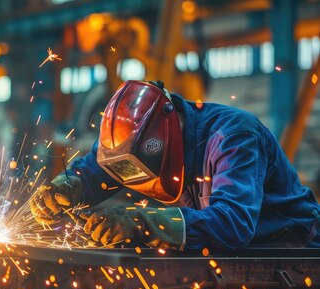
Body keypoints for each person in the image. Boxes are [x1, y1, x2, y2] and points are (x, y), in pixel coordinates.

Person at [31, 80, 320, 250]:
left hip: (289, 246)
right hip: (227, 251)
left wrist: (141, 223)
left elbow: (233, 224)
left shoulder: (233, 137)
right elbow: (96, 170)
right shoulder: (134, 140)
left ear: (166, 136)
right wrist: (67, 187)